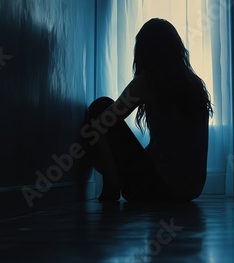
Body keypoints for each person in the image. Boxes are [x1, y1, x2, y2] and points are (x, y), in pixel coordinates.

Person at [83, 18, 212, 202]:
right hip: (190, 189)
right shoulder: (193, 84)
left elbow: (99, 125)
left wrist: (113, 169)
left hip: (160, 187)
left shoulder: (147, 82)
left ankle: (112, 183)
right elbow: (167, 147)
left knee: (100, 107)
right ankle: (117, 180)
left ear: (144, 52)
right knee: (105, 114)